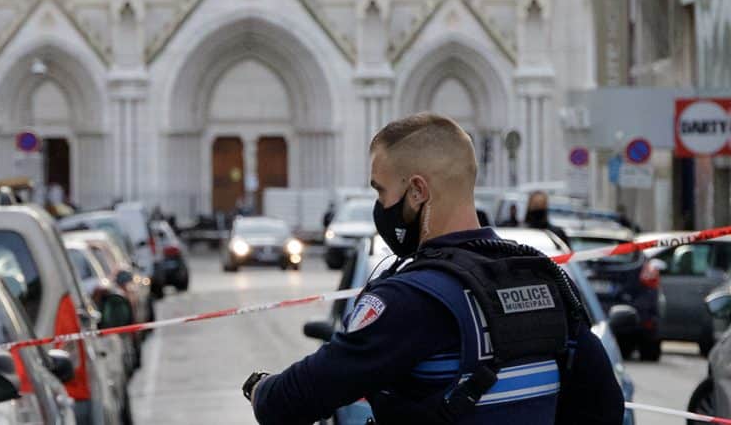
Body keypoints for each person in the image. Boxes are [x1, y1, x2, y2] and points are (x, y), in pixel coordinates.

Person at [244, 113, 624, 425]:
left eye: (380, 191)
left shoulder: (412, 297)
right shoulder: (544, 278)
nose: (380, 205)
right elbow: (605, 407)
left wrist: (259, 388)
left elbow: (293, 400)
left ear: (417, 192)